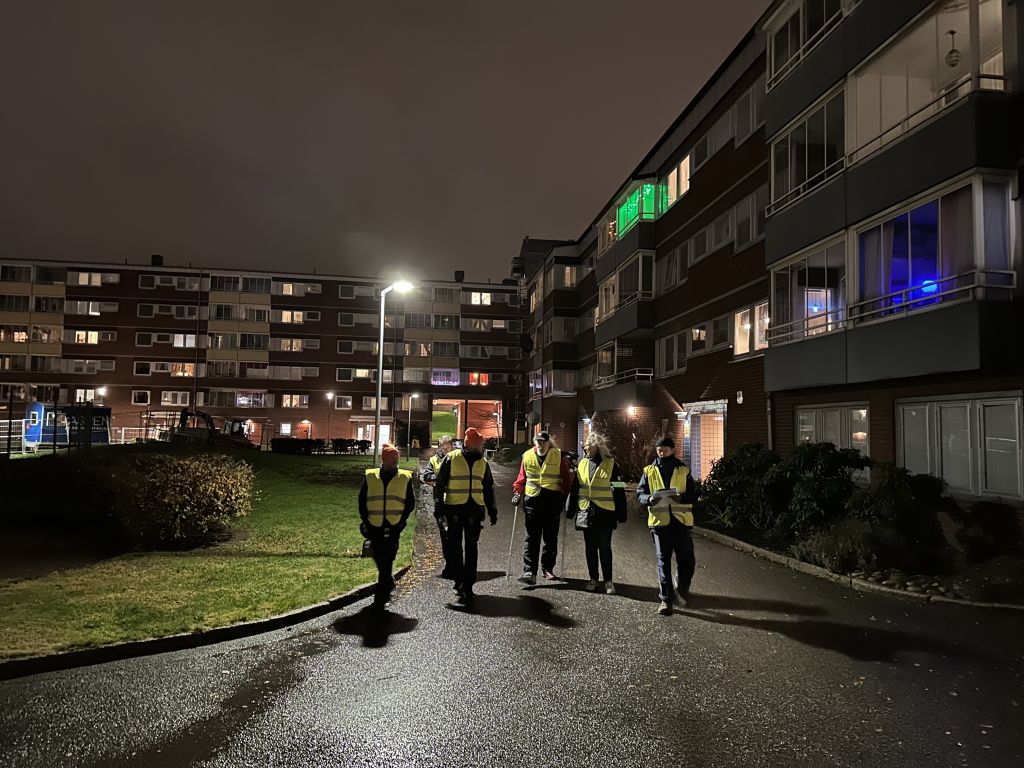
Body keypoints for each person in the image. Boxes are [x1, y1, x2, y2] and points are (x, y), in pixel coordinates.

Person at [433, 428, 498, 603]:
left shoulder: (482, 463)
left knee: (471, 549)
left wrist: (492, 510)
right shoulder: (452, 458)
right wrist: (439, 507)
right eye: (479, 445)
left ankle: (467, 585)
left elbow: (487, 488)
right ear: (469, 444)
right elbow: (439, 484)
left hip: (474, 512)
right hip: (454, 510)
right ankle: (459, 579)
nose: (481, 447)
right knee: (455, 549)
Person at [637, 436, 700, 616]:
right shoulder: (649, 470)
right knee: (663, 561)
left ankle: (682, 588)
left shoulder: (682, 469)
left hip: (681, 521)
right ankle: (666, 600)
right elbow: (640, 493)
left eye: (664, 449)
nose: (661, 452)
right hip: (659, 523)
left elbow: (694, 493)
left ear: (672, 450)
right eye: (659, 449)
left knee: (686, 560)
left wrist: (682, 497)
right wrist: (648, 498)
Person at [565, 432, 627, 594]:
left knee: (604, 547)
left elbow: (619, 488)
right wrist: (570, 509)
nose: (584, 446)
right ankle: (593, 578)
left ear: (596, 446)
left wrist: (622, 512)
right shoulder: (582, 464)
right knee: (590, 548)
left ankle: (608, 581)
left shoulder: (611, 464)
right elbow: (576, 487)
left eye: (587, 444)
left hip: (605, 512)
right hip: (586, 511)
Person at [358, 443, 415, 612]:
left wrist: (402, 520)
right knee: (378, 554)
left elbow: (410, 502)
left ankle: (381, 595)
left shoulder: (404, 477)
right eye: (392, 459)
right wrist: (365, 519)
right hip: (374, 523)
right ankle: (387, 582)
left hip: (394, 523)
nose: (395, 461)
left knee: (388, 557)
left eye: (396, 458)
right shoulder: (371, 476)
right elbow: (362, 500)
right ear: (384, 459)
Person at [511, 431, 571, 584]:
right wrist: (517, 493)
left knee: (550, 539)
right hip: (533, 501)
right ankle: (529, 571)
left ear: (548, 442)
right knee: (531, 538)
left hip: (552, 501)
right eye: (538, 441)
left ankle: (548, 569)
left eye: (543, 441)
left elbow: (565, 477)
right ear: (534, 441)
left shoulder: (557, 455)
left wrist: (566, 494)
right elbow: (521, 477)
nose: (540, 444)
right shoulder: (527, 455)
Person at [421, 435, 455, 578]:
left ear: (452, 446)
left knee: (454, 535)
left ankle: (455, 564)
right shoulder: (435, 460)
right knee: (445, 536)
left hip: (456, 502)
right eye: (443, 448)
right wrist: (440, 480)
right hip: (441, 502)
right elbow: (427, 477)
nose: (445, 450)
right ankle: (450, 564)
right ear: (439, 447)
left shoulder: (457, 458)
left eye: (448, 447)